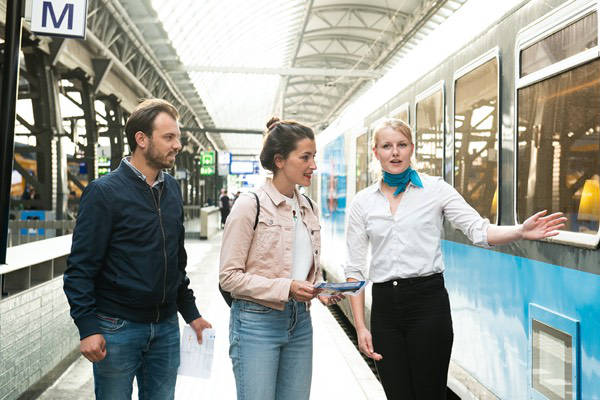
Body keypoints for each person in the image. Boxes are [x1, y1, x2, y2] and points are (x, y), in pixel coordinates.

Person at [344, 119, 566, 400]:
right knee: (397, 394)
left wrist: (520, 231)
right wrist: (361, 326)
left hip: (428, 303)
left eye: (401, 145)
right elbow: (354, 269)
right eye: (387, 146)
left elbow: (479, 231)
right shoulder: (363, 202)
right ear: (376, 152)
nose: (395, 152)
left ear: (412, 149)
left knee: (430, 393)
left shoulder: (436, 190)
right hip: (386, 309)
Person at [63, 99, 212, 400]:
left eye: (178, 137)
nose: (178, 145)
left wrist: (191, 313)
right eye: (169, 137)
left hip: (167, 327)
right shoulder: (104, 193)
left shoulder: (172, 191)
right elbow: (80, 269)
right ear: (141, 139)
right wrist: (88, 327)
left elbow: (176, 263)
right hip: (118, 327)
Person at [219, 117, 342, 400]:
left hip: (300, 322)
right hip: (256, 322)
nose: (314, 165)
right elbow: (229, 277)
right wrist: (286, 287)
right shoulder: (250, 205)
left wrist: (321, 289)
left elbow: (309, 267)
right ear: (280, 160)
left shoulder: (308, 206)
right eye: (306, 157)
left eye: (314, 157)